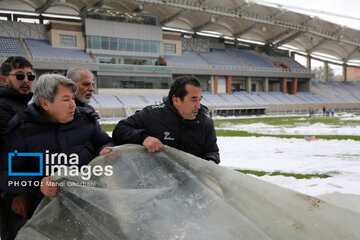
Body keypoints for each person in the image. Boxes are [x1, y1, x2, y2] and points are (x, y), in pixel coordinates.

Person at [0, 74, 113, 223]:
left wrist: (106, 150)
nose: (73, 104)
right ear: (45, 104)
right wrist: (37, 184)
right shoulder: (23, 129)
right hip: (46, 212)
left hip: (89, 204)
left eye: (73, 98)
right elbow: (5, 174)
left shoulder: (86, 120)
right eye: (66, 100)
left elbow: (106, 143)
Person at [112, 76, 220, 164]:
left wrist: (211, 161)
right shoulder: (152, 115)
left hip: (193, 185)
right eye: (193, 99)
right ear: (176, 100)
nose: (198, 106)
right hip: (157, 184)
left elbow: (212, 151)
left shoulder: (206, 122)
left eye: (199, 99)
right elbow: (119, 130)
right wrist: (143, 138)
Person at [0, 56, 34, 240]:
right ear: (4, 79)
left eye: (30, 76)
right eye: (20, 76)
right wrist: (17, 193)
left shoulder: (23, 105)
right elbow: (8, 154)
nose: (26, 81)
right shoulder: (3, 107)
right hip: (13, 195)